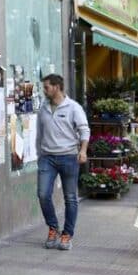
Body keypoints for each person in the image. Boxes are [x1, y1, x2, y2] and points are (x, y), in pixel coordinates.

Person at [36, 74, 90, 251]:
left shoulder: (73, 107)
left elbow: (84, 130)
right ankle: (53, 228)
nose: (44, 90)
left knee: (70, 198)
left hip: (68, 157)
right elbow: (39, 133)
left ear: (57, 87)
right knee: (43, 194)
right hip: (47, 158)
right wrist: (39, 154)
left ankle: (67, 235)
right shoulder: (43, 108)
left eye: (47, 87)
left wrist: (82, 151)